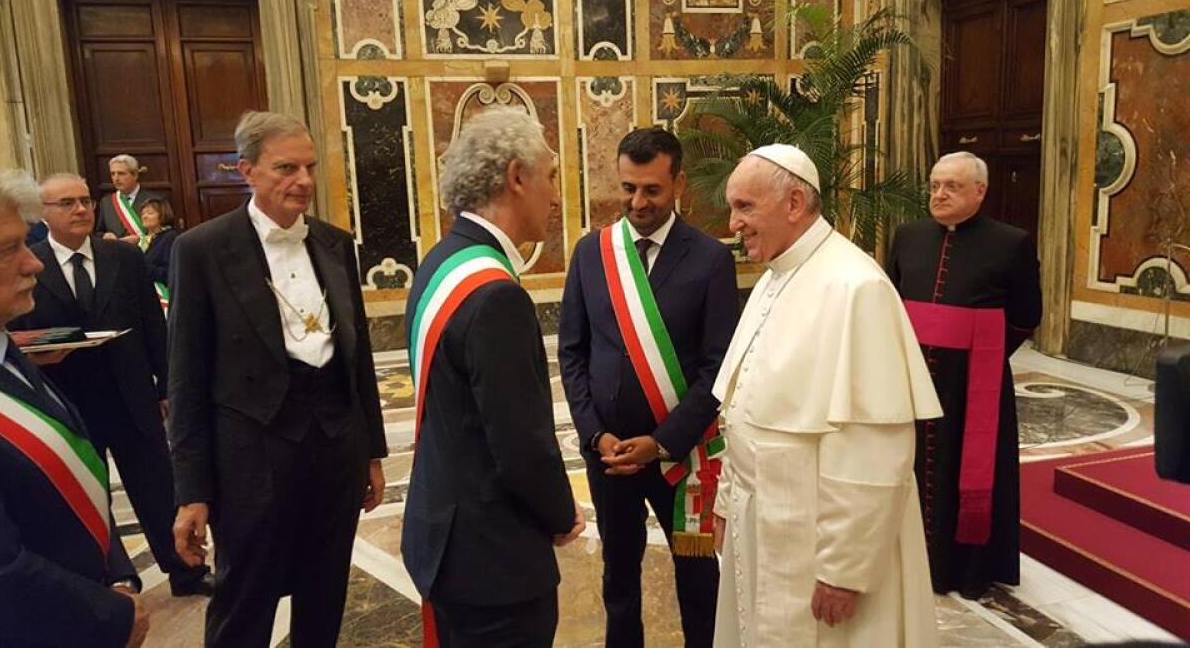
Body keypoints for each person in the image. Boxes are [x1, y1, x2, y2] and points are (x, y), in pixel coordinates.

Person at [167, 111, 388, 647]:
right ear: (247, 171)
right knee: (246, 597)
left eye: (309, 167)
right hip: (253, 457)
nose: (304, 181)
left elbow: (357, 357)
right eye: (286, 168)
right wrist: (193, 491)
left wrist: (372, 452)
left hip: (335, 445)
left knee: (326, 589)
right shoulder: (201, 250)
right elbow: (186, 379)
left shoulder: (335, 244)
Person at [712, 145, 942, 647]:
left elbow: (874, 450)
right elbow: (742, 409)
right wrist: (727, 502)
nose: (733, 224)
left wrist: (845, 569)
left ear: (794, 202)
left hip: (817, 548)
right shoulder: (776, 277)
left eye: (745, 207)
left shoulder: (856, 287)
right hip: (764, 523)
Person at [403, 107, 584, 648]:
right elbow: (519, 443)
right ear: (516, 177)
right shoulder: (495, 294)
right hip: (492, 562)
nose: (555, 196)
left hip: (444, 533)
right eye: (549, 176)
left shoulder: (440, 260)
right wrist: (560, 511)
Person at [558, 127, 737, 647]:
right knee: (619, 575)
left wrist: (662, 443)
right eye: (628, 188)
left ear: (678, 183)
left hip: (682, 455)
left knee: (699, 578)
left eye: (652, 190)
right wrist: (595, 436)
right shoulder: (593, 253)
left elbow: (717, 366)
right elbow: (572, 352)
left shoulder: (709, 259)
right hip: (609, 453)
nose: (638, 202)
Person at [10, 173, 213, 599]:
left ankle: (186, 571)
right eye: (66, 203)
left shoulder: (123, 258)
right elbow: (18, 333)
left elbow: (153, 326)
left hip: (131, 396)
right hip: (68, 400)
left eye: (85, 200)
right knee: (90, 493)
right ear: (42, 214)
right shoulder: (30, 262)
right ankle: (116, 579)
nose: (80, 209)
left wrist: (166, 387)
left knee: (159, 486)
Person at [0, 168, 148, 647]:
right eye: (5, 250)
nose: (32, 263)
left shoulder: (6, 349)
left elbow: (79, 475)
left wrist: (119, 576)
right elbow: (0, 570)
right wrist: (110, 614)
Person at [886, 151, 1042, 599]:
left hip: (975, 381)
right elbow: (891, 301)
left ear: (980, 191)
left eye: (952, 186)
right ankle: (906, 556)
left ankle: (967, 569)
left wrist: (980, 352)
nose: (939, 194)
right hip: (910, 375)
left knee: (968, 470)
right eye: (935, 185)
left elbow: (1027, 314)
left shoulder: (1011, 243)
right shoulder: (908, 235)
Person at [96, 154, 163, 245]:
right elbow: (98, 232)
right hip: (117, 255)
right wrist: (105, 235)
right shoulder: (106, 202)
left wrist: (141, 240)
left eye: (121, 173)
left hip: (146, 256)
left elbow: (165, 234)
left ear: (135, 175)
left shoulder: (155, 200)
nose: (116, 178)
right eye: (112, 174)